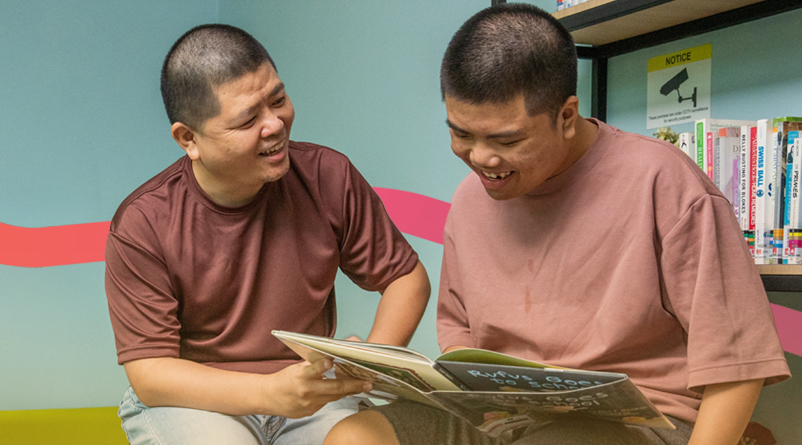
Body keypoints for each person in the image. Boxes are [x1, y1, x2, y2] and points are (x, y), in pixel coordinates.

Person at [324, 4, 790, 445]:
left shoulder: (664, 183)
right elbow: (460, 334)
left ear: (566, 116)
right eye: (461, 133)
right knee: (354, 435)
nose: (481, 159)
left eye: (506, 139)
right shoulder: (470, 200)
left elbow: (738, 366)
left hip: (642, 425)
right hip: (504, 418)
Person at [104, 24, 431, 445]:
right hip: (194, 400)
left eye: (278, 100)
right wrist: (270, 393)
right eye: (247, 120)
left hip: (309, 390)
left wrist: (371, 360)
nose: (275, 125)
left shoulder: (328, 176)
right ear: (189, 139)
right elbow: (151, 374)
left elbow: (405, 278)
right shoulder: (143, 222)